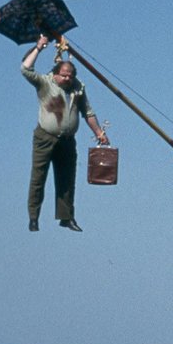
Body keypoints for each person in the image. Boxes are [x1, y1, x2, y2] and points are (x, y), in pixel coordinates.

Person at [21, 34, 108, 232]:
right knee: (38, 178)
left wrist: (99, 133)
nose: (67, 78)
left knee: (67, 179)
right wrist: (39, 47)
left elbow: (88, 112)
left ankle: (66, 217)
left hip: (68, 140)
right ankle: (34, 217)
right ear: (56, 74)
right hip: (45, 137)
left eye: (70, 75)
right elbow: (25, 69)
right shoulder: (45, 82)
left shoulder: (78, 87)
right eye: (64, 75)